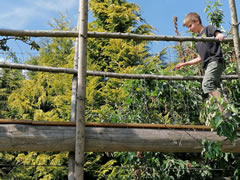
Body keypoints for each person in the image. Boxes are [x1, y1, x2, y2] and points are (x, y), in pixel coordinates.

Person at [176, 12, 228, 116]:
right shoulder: (197, 41)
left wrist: (219, 35)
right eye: (188, 27)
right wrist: (185, 63)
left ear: (197, 21)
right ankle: (224, 112)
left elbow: (216, 32)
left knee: (207, 84)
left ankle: (225, 110)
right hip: (209, 65)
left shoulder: (208, 29)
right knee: (214, 87)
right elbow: (200, 58)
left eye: (190, 25)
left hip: (215, 61)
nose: (189, 29)